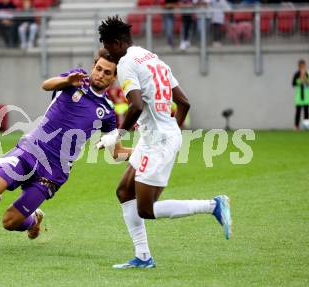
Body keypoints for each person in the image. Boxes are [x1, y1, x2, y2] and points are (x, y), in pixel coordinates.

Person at [98, 16, 231, 269]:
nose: (107, 52)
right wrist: (171, 132)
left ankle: (213, 205)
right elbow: (184, 103)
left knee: (146, 209)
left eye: (107, 45)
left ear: (116, 43)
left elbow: (136, 105)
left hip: (158, 141)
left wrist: (118, 134)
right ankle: (143, 258)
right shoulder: (151, 57)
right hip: (158, 138)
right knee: (124, 192)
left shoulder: (126, 62)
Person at [0, 49, 133, 239]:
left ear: (113, 78)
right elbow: (46, 85)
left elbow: (117, 152)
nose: (100, 75)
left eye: (107, 73)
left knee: (9, 222)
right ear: (93, 67)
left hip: (53, 172)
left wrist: (148, 152)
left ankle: (33, 220)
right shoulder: (75, 79)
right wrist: (67, 81)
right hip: (30, 150)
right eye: (98, 69)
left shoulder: (107, 111)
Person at [292, 59, 309, 130]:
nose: (302, 67)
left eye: (303, 65)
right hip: (299, 97)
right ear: (299, 66)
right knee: (298, 112)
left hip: (306, 97)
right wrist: (300, 79)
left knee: (306, 112)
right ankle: (296, 126)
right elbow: (293, 83)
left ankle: (306, 126)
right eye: (301, 66)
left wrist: (305, 79)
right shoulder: (296, 74)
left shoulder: (307, 74)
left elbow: (308, 83)